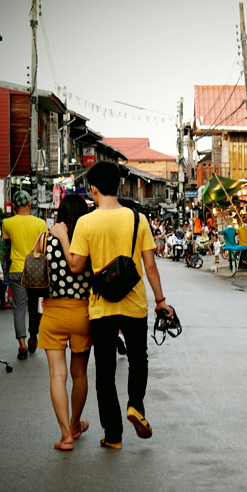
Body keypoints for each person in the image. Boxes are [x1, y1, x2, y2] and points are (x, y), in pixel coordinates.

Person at [52, 161, 174, 449]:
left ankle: (114, 435)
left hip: (101, 304)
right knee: (138, 359)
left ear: (93, 189)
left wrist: (63, 237)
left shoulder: (86, 223)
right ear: (119, 186)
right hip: (133, 302)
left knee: (105, 370)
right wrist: (160, 300)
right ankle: (136, 406)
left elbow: (75, 264)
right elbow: (150, 266)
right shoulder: (137, 219)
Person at [43, 194, 93, 451]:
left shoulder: (47, 239)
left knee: (57, 374)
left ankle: (66, 435)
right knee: (79, 373)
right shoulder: (88, 239)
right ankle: (75, 423)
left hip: (52, 312)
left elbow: (35, 271)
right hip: (82, 312)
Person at [1, 189, 47, 360]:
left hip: (16, 270)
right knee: (34, 305)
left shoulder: (7, 223)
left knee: (19, 308)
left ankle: (22, 344)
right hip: (35, 271)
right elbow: (43, 248)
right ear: (30, 204)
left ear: (14, 206)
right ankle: (33, 334)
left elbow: (7, 245)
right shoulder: (40, 223)